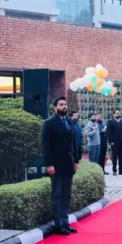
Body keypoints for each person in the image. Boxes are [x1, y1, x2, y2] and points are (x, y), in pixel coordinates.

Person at [42, 96, 80, 236]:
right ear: (55, 107)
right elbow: (46, 146)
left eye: (65, 104)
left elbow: (73, 143)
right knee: (57, 194)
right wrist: (49, 164)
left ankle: (65, 221)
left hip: (68, 164)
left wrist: (76, 161)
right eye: (61, 104)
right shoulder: (49, 123)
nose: (64, 106)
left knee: (67, 194)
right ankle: (58, 224)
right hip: (56, 165)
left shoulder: (69, 121)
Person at [107, 109, 122, 176]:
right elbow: (109, 132)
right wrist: (111, 142)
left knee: (121, 156)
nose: (118, 114)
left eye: (119, 113)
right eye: (116, 113)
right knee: (114, 157)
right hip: (114, 142)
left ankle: (121, 170)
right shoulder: (110, 122)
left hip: (121, 142)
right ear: (114, 114)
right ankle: (114, 170)